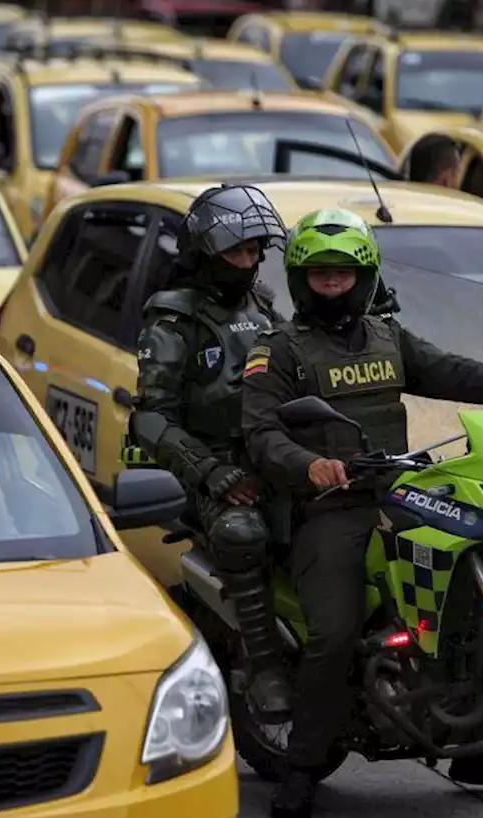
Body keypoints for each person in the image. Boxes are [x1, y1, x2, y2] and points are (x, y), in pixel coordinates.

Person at [241, 208, 483, 818]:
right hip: (329, 508)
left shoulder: (386, 336)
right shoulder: (279, 351)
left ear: (365, 277)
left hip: (400, 489)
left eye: (345, 274)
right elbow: (261, 434)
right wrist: (309, 464)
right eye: (321, 275)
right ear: (298, 279)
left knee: (473, 599)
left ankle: (482, 751)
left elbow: (450, 371)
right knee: (335, 632)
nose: (334, 284)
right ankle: (303, 764)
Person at [132, 183, 293, 722]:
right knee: (241, 533)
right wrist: (211, 473)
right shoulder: (174, 319)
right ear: (205, 254)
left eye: (254, 252)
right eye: (236, 252)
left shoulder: (265, 304)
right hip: (219, 465)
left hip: (279, 451)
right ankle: (266, 666)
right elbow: (150, 416)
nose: (248, 263)